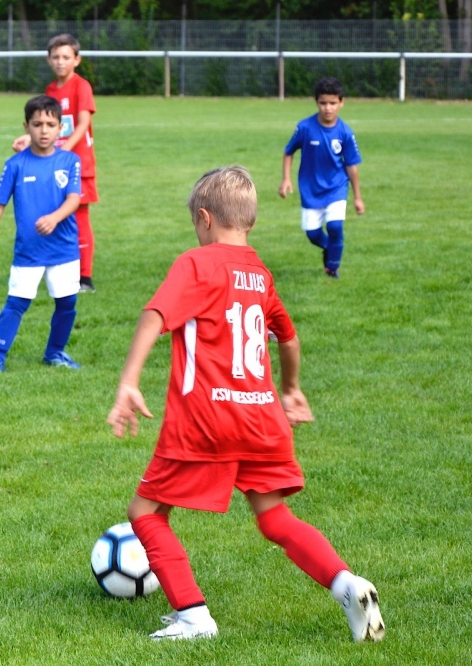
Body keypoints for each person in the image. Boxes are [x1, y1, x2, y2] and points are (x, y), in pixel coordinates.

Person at [107, 166, 385, 642]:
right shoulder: (260, 274)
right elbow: (288, 338)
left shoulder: (195, 263)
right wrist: (291, 389)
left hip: (205, 420)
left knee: (145, 512)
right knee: (274, 517)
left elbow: (154, 314)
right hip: (261, 418)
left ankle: (194, 616)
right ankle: (347, 584)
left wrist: (129, 382)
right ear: (250, 221)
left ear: (204, 218)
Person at [0, 95, 82, 374]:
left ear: (60, 128)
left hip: (64, 248)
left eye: (50, 124)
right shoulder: (15, 164)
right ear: (26, 127)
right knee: (16, 303)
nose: (44, 130)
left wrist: (54, 218)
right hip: (29, 250)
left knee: (67, 303)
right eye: (37, 124)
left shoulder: (70, 161)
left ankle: (55, 352)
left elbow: (74, 199)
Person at [12, 34, 99, 292]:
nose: (61, 62)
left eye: (66, 57)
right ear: (48, 60)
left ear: (77, 60)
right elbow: (46, 126)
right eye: (56, 57)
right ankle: (56, 268)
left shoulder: (81, 86)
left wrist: (62, 152)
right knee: (56, 215)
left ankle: (85, 277)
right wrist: (28, 139)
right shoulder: (51, 90)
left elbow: (83, 124)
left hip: (78, 164)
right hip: (55, 164)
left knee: (79, 216)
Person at [279, 77, 364, 279]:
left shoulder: (345, 133)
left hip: (336, 186)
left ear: (341, 102)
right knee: (313, 234)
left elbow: (351, 166)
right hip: (310, 189)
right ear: (316, 102)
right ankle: (329, 248)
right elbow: (289, 151)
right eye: (323, 103)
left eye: (333, 103)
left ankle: (332, 268)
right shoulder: (305, 128)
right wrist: (286, 179)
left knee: (335, 226)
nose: (328, 108)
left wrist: (358, 197)